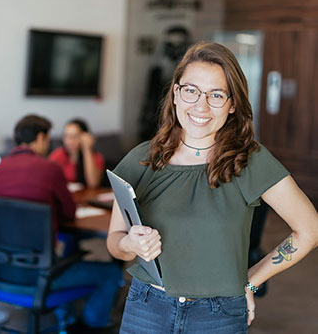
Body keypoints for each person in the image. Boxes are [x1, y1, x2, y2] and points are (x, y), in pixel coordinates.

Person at [106, 42, 318, 333]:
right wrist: (128, 244)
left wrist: (252, 281)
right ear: (176, 95)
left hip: (218, 316)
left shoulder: (250, 161)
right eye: (191, 90)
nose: (200, 106)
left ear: (232, 105)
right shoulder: (141, 159)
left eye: (216, 94)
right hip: (146, 307)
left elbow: (310, 230)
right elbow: (114, 242)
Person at [0, 115, 122, 332]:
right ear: (40, 138)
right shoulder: (49, 169)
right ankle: (92, 326)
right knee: (111, 273)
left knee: (66, 254)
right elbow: (68, 213)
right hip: (41, 276)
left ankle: (65, 315)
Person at [49, 119, 104, 188]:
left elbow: (93, 183)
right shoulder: (58, 154)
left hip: (87, 196)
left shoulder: (96, 157)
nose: (69, 141)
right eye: (66, 136)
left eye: (74, 137)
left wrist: (87, 149)